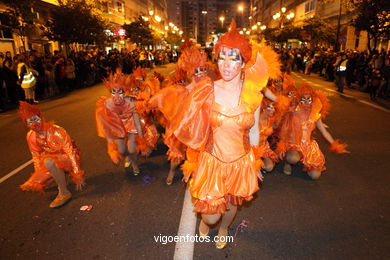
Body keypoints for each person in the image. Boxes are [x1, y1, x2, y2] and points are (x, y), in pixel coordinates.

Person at [165, 20, 279, 249]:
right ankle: (210, 223)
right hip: (212, 160)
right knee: (209, 216)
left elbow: (254, 132)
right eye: (222, 57)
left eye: (234, 57)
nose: (226, 64)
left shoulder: (254, 95)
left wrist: (255, 164)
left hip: (240, 161)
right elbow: (191, 126)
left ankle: (225, 228)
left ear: (243, 62)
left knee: (232, 202)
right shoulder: (207, 89)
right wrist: (192, 160)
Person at [148, 44, 209, 185]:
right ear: (192, 73)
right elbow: (167, 95)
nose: (201, 74)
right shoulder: (185, 90)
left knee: (201, 155)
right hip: (185, 127)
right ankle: (172, 171)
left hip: (202, 128)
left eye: (203, 70)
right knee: (177, 154)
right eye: (198, 71)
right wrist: (151, 102)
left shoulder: (209, 86)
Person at [18, 101, 85, 208]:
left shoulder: (56, 131)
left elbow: (70, 152)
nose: (35, 124)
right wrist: (40, 176)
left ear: (41, 117)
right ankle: (55, 175)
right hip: (52, 158)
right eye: (30, 121)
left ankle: (64, 192)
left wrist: (77, 174)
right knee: (35, 180)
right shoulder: (31, 136)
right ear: (26, 124)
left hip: (70, 158)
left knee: (49, 161)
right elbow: (35, 156)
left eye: (36, 119)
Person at [277, 84, 349, 179]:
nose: (306, 102)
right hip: (294, 144)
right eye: (303, 99)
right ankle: (287, 163)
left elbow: (324, 132)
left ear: (313, 99)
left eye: (309, 99)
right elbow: (284, 129)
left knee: (315, 175)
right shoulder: (293, 112)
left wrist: (335, 145)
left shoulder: (314, 114)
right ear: (299, 99)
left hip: (309, 146)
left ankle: (306, 162)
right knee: (293, 158)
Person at [95, 71, 151, 175]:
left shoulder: (131, 102)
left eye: (120, 92)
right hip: (117, 126)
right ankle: (128, 156)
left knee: (132, 149)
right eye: (113, 92)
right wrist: (111, 145)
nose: (116, 95)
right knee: (121, 151)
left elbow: (137, 122)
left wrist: (142, 139)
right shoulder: (106, 104)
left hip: (130, 124)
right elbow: (105, 126)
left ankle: (134, 163)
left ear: (124, 91)